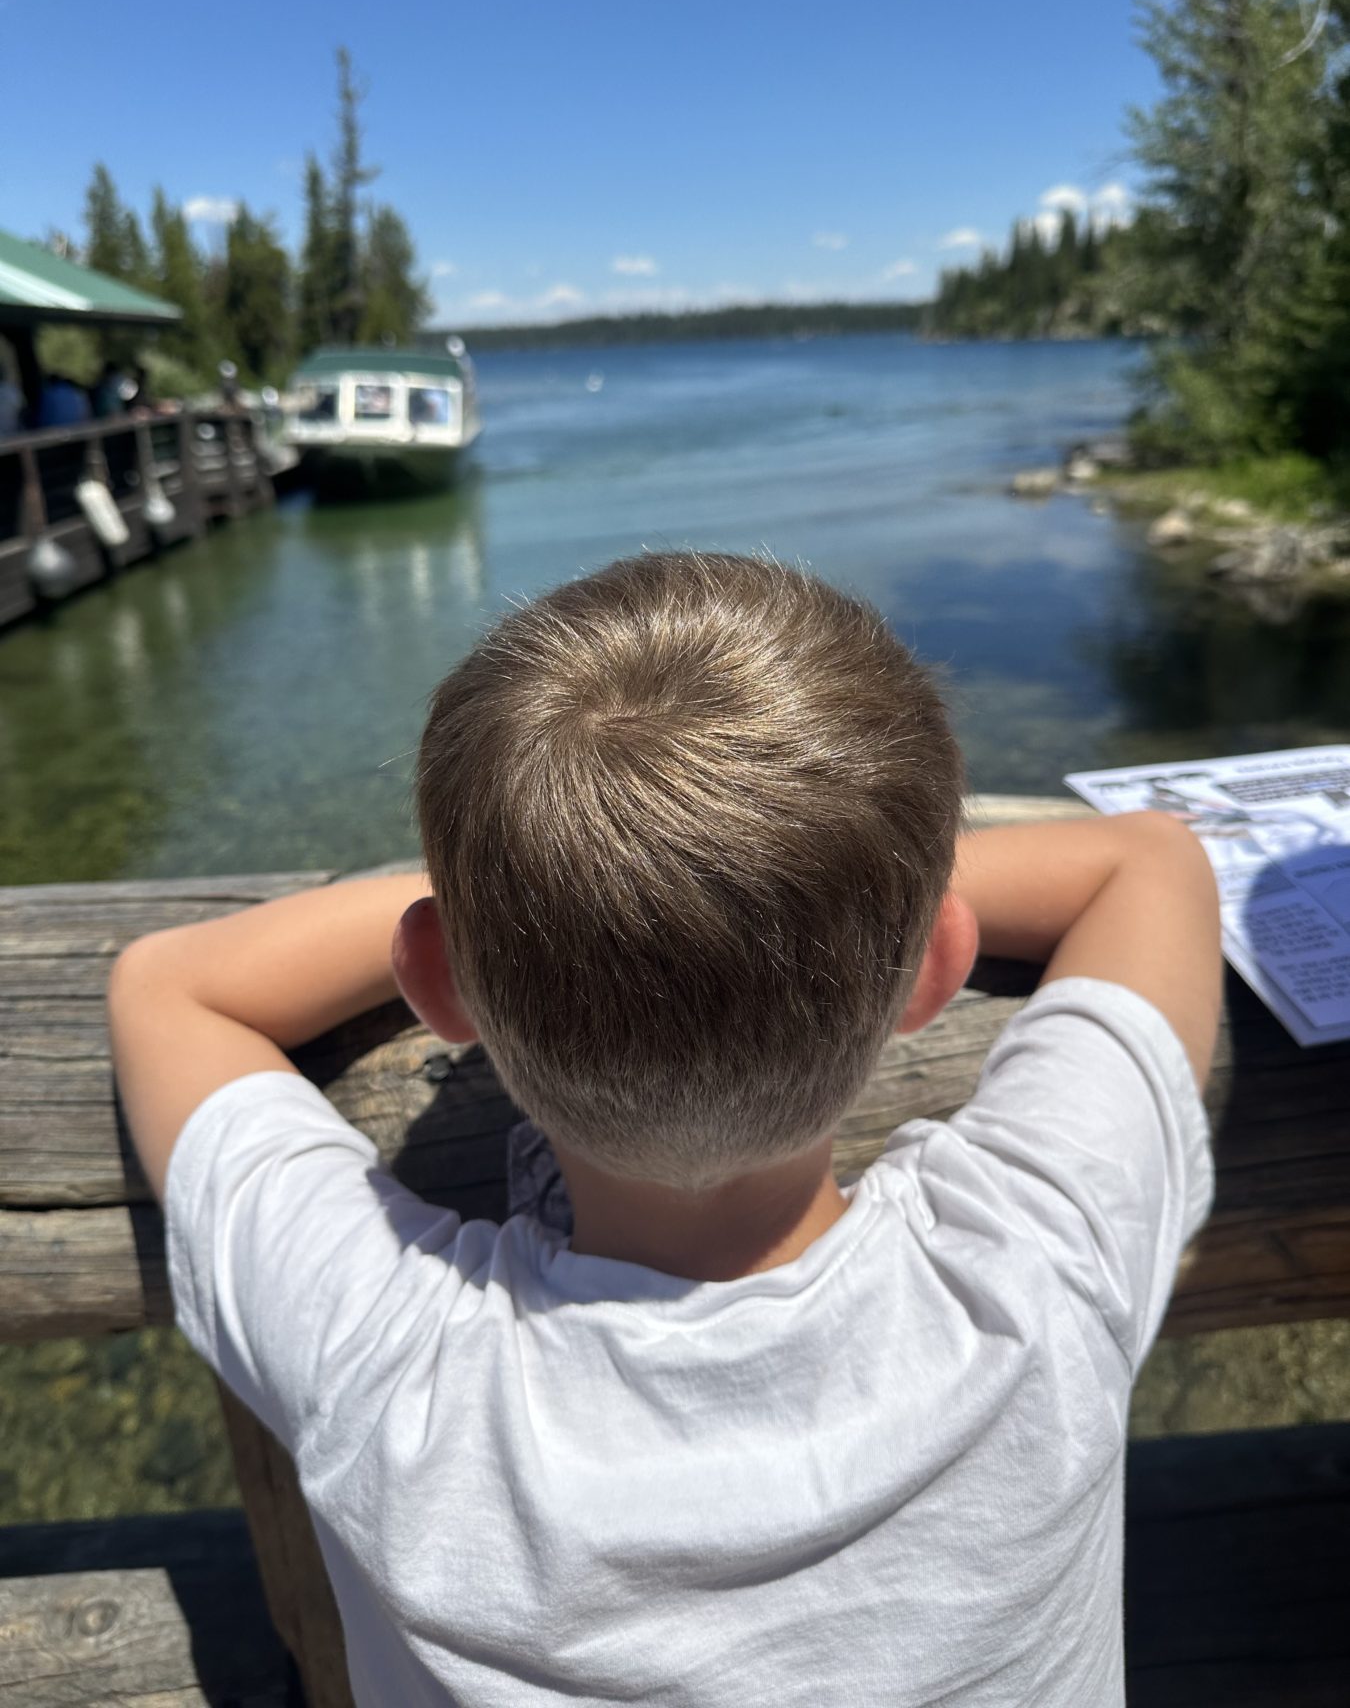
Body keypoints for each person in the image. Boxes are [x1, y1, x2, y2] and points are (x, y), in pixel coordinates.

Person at [108, 552, 1221, 1707]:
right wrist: (833, 895)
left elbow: (171, 988)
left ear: (437, 983)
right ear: (935, 966)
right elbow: (1151, 861)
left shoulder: (389, 1371)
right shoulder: (1036, 1269)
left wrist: (546, 908)